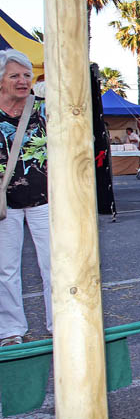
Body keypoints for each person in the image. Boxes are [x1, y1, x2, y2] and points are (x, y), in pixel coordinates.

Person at [0, 50, 51, 346]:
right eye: (14, 76)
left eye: (26, 75)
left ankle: (59, 323)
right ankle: (10, 331)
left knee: (53, 264)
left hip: (43, 198)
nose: (22, 81)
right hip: (5, 203)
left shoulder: (43, 110)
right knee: (6, 267)